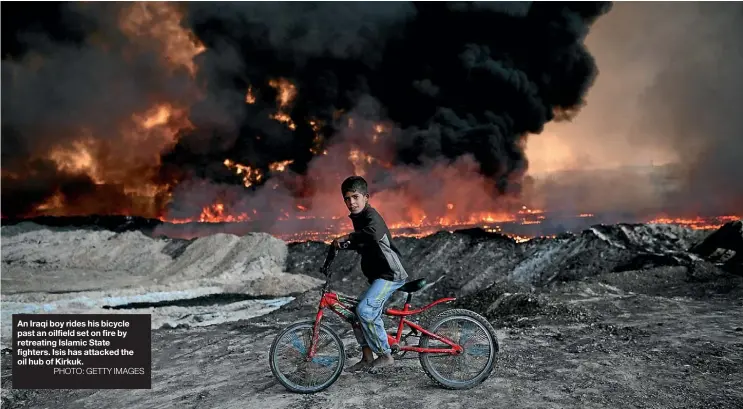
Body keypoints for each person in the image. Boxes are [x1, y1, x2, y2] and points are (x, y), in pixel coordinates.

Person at [332, 175, 408, 372]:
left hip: (390, 275)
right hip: (379, 276)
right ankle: (366, 357)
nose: (351, 202)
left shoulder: (371, 216)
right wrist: (342, 245)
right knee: (355, 313)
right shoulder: (359, 219)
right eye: (347, 199)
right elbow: (361, 241)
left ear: (366, 197)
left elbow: (374, 233)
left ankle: (385, 355)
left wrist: (348, 237)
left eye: (355, 197)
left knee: (366, 311)